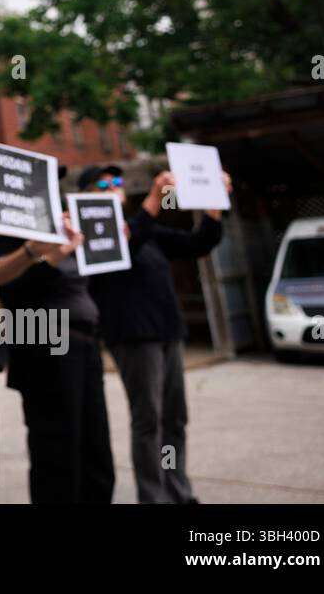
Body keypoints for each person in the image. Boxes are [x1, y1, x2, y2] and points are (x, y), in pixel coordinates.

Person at [84, 164, 230, 504]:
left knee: (173, 419)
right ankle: (154, 496)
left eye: (117, 181)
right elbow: (126, 246)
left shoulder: (145, 231)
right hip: (133, 336)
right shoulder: (95, 234)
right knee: (149, 419)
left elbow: (197, 243)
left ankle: (176, 488)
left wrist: (214, 202)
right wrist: (153, 199)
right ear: (87, 196)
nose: (113, 186)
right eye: (103, 183)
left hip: (167, 331)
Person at [0, 196, 113, 504]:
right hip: (46, 348)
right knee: (58, 454)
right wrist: (50, 258)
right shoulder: (9, 233)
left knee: (95, 451)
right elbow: (9, 290)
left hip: (85, 343)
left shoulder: (67, 230)